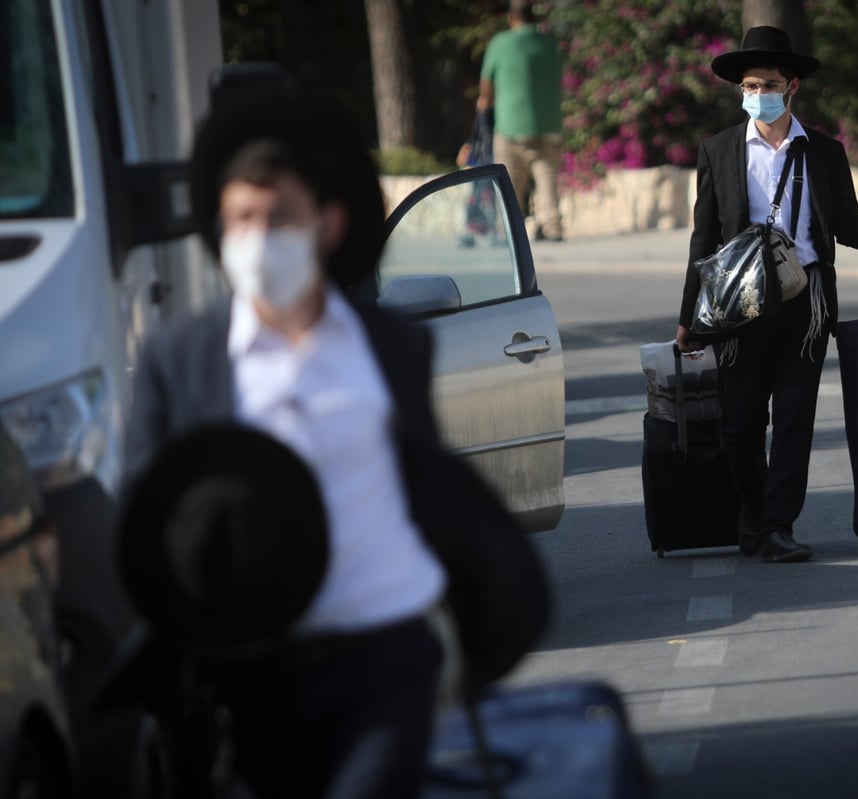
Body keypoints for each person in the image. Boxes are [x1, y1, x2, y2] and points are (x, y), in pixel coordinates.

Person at [117, 86, 547, 797]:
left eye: (279, 217)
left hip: (385, 654)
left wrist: (485, 596)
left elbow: (430, 485)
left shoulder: (389, 347)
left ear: (328, 223)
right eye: (242, 220)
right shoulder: (181, 358)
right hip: (249, 675)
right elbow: (148, 516)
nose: (259, 237)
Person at [675, 26, 858, 564]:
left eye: (767, 83)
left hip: (806, 305)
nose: (756, 93)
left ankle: (778, 526)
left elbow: (848, 224)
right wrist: (689, 315)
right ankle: (754, 512)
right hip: (737, 305)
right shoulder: (717, 150)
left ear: (792, 88)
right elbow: (703, 237)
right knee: (739, 427)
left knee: (792, 421)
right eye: (747, 84)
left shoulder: (825, 153)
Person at [478, 0, 564, 242]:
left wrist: (487, 102)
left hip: (511, 127)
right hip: (548, 126)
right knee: (546, 181)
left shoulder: (501, 43)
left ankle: (509, 232)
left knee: (509, 185)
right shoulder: (549, 44)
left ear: (512, 18)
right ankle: (553, 227)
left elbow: (486, 85)